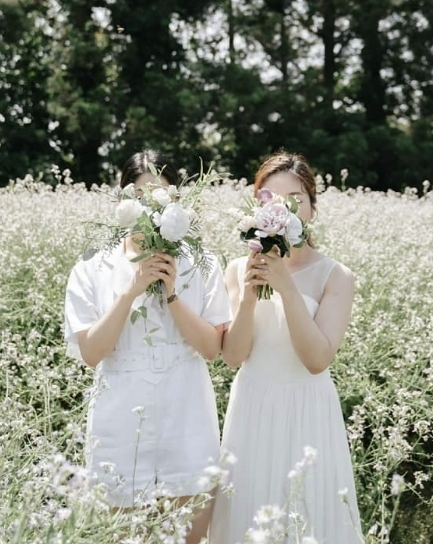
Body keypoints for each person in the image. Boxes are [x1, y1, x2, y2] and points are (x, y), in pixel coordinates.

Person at [64, 150, 231, 544]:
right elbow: (91, 353)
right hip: (120, 416)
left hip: (186, 410)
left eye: (161, 196)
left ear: (177, 202)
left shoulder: (200, 261)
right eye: (140, 196)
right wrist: (132, 289)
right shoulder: (92, 266)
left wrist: (172, 294)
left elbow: (212, 348)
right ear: (123, 200)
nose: (149, 207)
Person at [209, 152, 363, 544]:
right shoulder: (234, 269)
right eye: (270, 200)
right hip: (253, 406)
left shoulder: (335, 275)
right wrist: (248, 293)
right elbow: (232, 356)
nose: (282, 209)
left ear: (311, 207)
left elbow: (316, 359)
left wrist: (286, 288)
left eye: (294, 199)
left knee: (309, 518)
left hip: (308, 409)